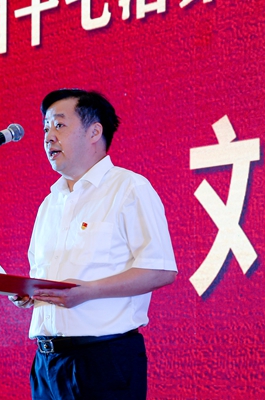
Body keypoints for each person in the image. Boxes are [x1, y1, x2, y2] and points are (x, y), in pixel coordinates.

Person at [9, 89, 178, 399]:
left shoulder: (129, 188)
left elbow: (161, 270)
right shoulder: (49, 204)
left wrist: (89, 291)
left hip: (103, 359)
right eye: (45, 128)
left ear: (94, 132)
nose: (48, 137)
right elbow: (45, 276)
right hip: (46, 363)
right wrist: (30, 293)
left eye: (59, 125)